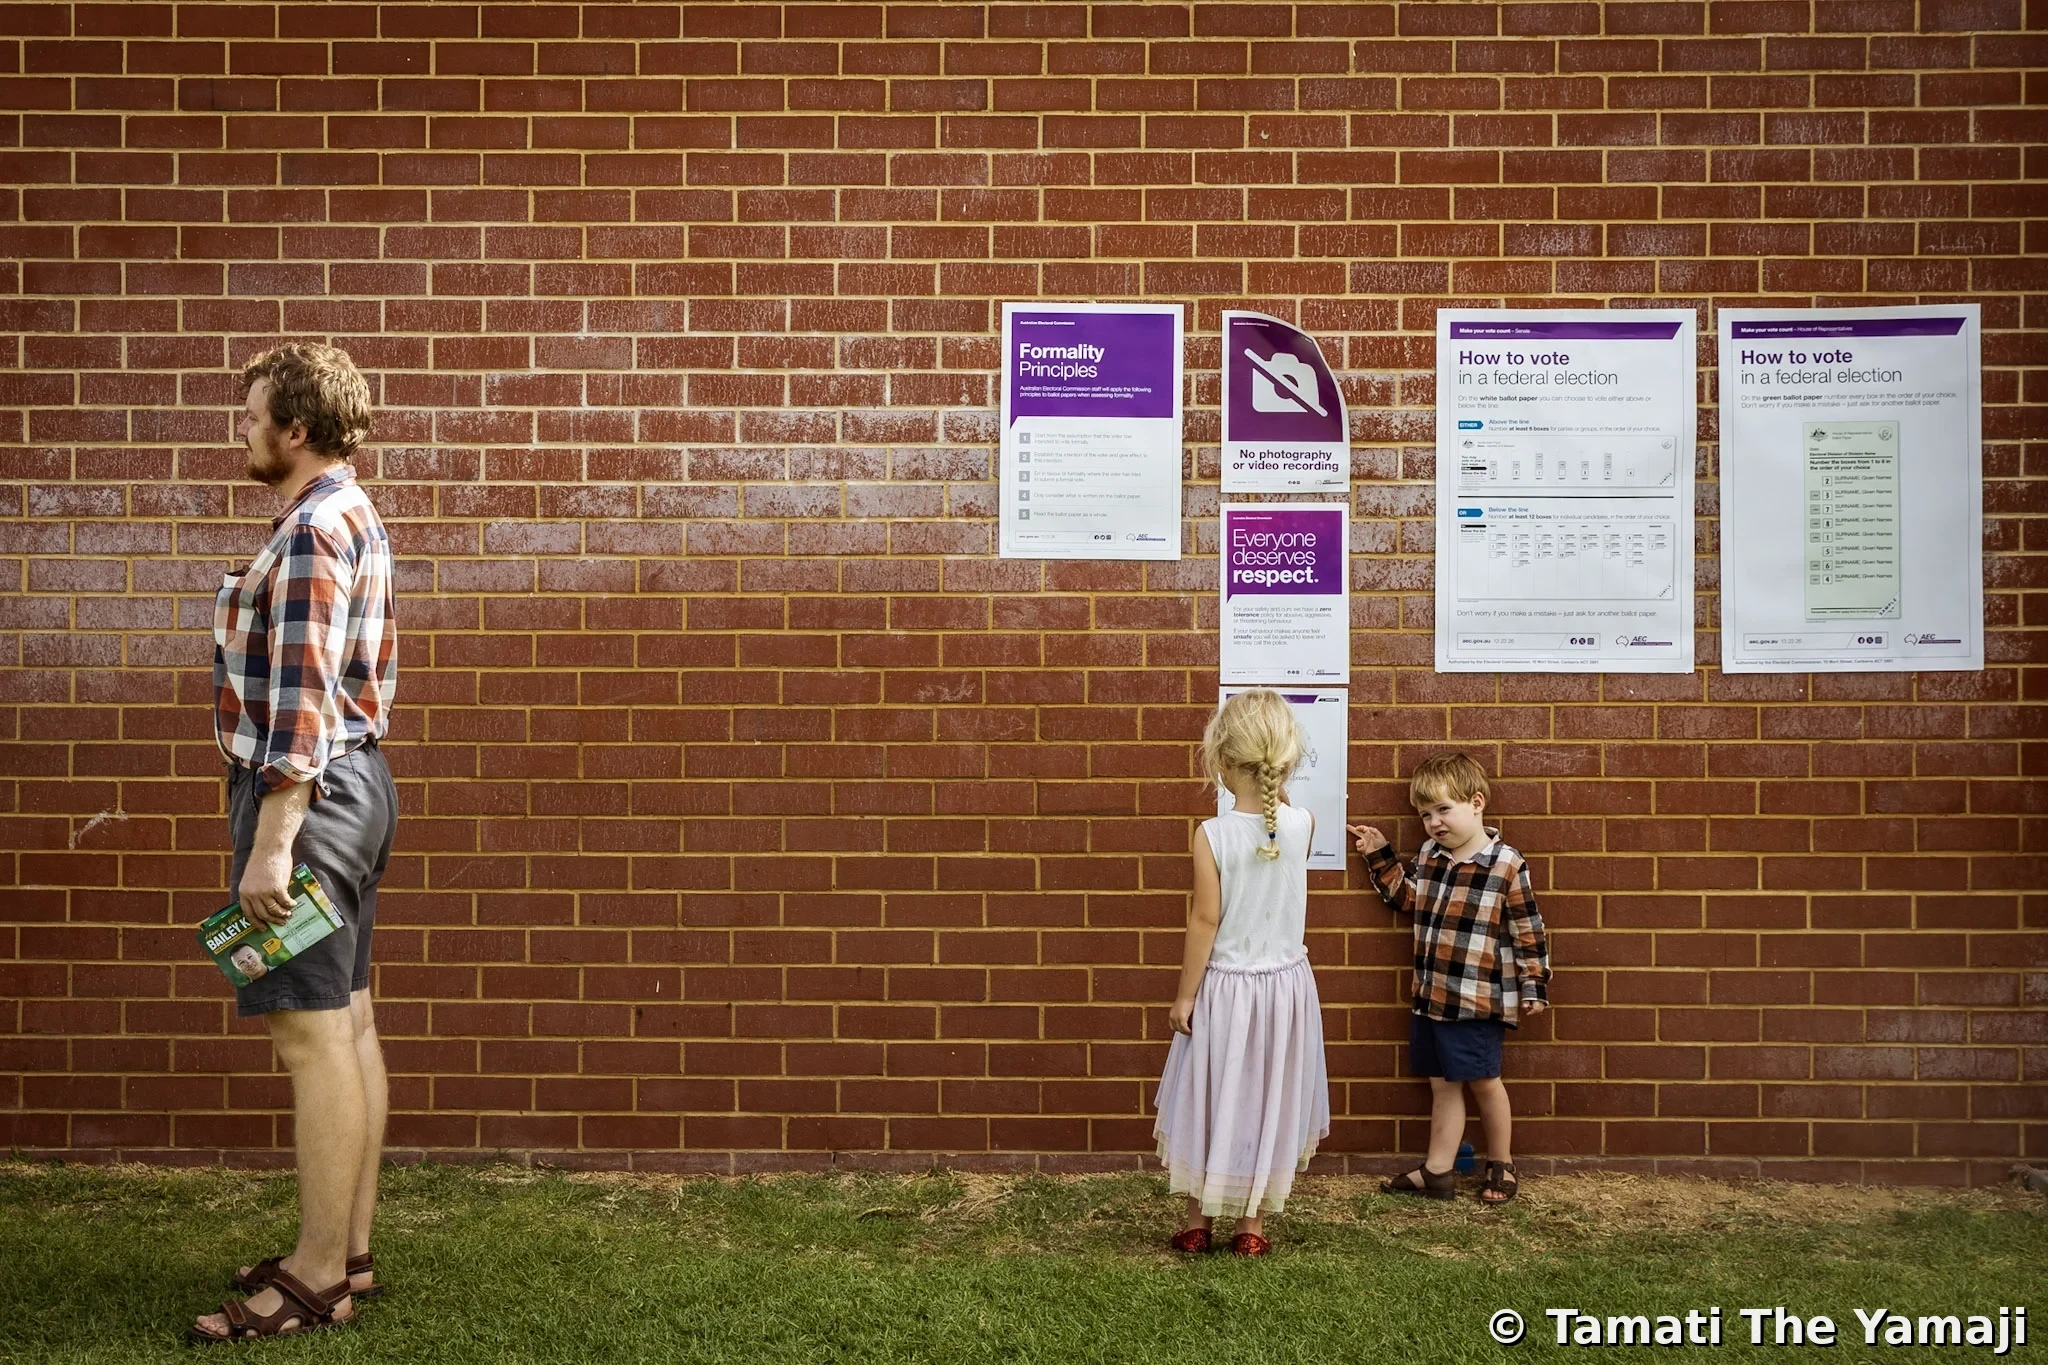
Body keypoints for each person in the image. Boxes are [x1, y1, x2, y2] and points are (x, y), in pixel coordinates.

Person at [191, 344, 398, 1344]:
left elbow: (303, 705)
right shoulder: (346, 511)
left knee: (309, 1037)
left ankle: (313, 1281)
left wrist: (273, 842)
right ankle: (344, 1253)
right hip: (354, 788)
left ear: (295, 429)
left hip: (307, 801)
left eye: (250, 415)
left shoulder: (314, 530)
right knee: (347, 1022)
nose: (241, 431)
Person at [1153, 690, 1331, 1257]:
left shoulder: (1212, 834)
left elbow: (1205, 920)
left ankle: (1196, 1220)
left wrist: (1185, 998)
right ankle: (1250, 1228)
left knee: (1208, 1097)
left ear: (1224, 763)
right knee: (1263, 1098)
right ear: (1283, 762)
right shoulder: (1303, 824)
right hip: (1285, 990)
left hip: (1226, 989)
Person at [1348, 752, 1550, 1207]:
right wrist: (1380, 854)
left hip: (1475, 1000)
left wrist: (1534, 984)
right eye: (1425, 814)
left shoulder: (1505, 864)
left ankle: (1502, 1161)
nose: (1434, 822)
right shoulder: (1429, 857)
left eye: (1443, 809)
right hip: (1431, 996)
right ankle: (1438, 1170)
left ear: (1476, 803)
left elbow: (1528, 929)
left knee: (1483, 1080)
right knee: (1441, 1083)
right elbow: (1407, 899)